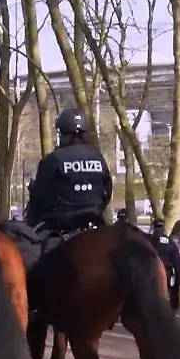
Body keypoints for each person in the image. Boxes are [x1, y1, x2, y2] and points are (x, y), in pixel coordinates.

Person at [24, 107, 113, 251]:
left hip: (60, 223)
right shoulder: (98, 157)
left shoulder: (53, 159)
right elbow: (107, 190)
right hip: (94, 220)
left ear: (63, 133)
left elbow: (40, 195)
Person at [149, 218, 180, 308]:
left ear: (153, 227)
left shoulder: (147, 241)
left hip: (149, 272)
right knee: (167, 293)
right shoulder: (170, 242)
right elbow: (177, 261)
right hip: (166, 271)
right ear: (163, 228)